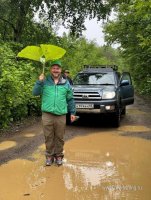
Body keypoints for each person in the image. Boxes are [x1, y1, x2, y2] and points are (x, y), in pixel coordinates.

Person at [32, 60, 76, 166]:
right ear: (50, 70)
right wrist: (39, 81)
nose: (55, 70)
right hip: (47, 114)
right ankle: (49, 156)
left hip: (61, 114)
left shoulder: (66, 83)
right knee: (48, 136)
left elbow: (70, 99)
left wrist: (73, 112)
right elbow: (35, 93)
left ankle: (59, 156)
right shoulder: (44, 81)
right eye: (53, 68)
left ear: (60, 70)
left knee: (59, 137)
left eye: (58, 68)